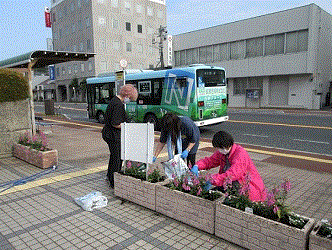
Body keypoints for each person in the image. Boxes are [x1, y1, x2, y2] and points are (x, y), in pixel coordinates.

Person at [191, 131, 266, 202]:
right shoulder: (223, 152)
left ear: (226, 146)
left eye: (219, 148)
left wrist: (213, 179)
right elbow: (210, 161)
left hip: (248, 189)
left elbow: (232, 174)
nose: (218, 150)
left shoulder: (240, 154)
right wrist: (197, 166)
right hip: (231, 185)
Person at [102, 84, 138, 188]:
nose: (129, 101)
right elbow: (115, 123)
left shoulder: (114, 100)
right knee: (117, 159)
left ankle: (110, 177)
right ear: (127, 95)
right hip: (113, 135)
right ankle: (114, 182)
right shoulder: (118, 105)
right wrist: (127, 126)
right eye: (130, 99)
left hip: (109, 134)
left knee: (114, 156)